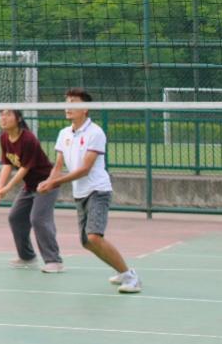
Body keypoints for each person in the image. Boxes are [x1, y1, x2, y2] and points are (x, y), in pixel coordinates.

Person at [38, 88, 141, 293]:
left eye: (73, 103)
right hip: (80, 193)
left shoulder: (95, 132)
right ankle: (122, 272)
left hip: (98, 190)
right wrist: (48, 181)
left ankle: (130, 276)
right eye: (66, 102)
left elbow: (85, 169)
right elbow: (58, 165)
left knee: (94, 236)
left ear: (85, 108)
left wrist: (56, 183)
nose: (68, 107)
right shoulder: (64, 134)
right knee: (87, 242)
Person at [0, 108, 63, 272]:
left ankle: (54, 261)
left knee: (38, 219)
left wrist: (7, 188)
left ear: (18, 119)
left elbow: (24, 168)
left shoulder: (28, 139)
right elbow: (7, 163)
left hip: (46, 184)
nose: (3, 118)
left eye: (8, 114)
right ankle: (27, 257)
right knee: (16, 217)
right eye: (1, 115)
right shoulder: (4, 138)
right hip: (30, 186)